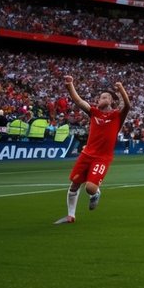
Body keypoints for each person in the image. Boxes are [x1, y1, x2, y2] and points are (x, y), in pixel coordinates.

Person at [54, 76, 130, 225]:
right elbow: (78, 101)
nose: (103, 98)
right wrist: (70, 85)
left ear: (111, 101)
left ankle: (96, 194)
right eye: (101, 97)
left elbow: (126, 105)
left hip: (102, 158)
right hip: (86, 154)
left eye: (106, 97)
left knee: (90, 188)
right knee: (74, 184)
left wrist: (121, 90)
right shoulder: (94, 112)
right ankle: (70, 216)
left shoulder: (117, 116)